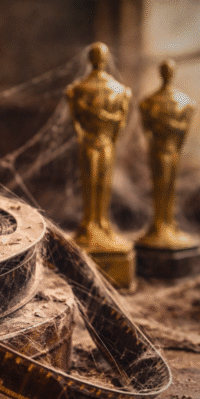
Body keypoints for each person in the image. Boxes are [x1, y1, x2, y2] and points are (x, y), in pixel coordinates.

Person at [65, 42, 132, 253]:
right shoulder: (118, 90)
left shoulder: (79, 90)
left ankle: (97, 223)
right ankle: (95, 223)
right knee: (99, 182)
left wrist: (95, 116)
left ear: (90, 60)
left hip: (90, 142)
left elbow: (77, 125)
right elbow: (119, 124)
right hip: (104, 142)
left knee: (95, 183)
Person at [137, 59, 196, 249]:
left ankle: (168, 222)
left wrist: (166, 128)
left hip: (171, 150)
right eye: (165, 70)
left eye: (169, 70)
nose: (167, 73)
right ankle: (159, 223)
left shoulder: (184, 102)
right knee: (159, 184)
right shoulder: (149, 102)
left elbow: (181, 131)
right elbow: (148, 130)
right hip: (160, 149)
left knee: (171, 185)